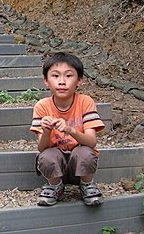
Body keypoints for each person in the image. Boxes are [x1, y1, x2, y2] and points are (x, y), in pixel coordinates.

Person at [30, 52, 105, 206]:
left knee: (85, 152)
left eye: (69, 76)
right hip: (56, 166)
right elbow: (41, 147)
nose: (62, 82)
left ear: (79, 81)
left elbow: (91, 142)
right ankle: (55, 186)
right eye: (55, 76)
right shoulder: (42, 106)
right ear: (46, 81)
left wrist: (71, 130)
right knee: (46, 156)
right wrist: (46, 131)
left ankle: (86, 184)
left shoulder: (85, 102)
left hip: (80, 165)